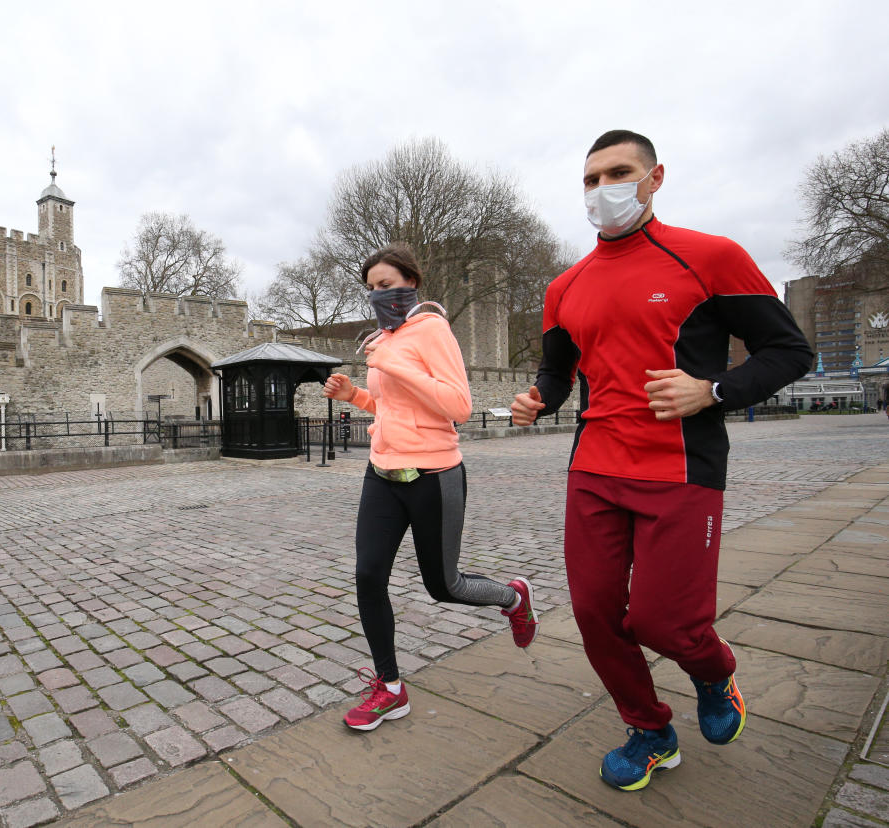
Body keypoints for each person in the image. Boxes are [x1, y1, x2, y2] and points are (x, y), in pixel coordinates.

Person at [511, 130, 811, 791]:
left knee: (660, 620)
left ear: (655, 178)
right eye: (590, 179)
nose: (601, 189)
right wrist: (541, 396)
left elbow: (791, 351)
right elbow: (557, 369)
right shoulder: (565, 286)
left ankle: (713, 671)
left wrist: (714, 390)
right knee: (594, 612)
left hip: (682, 469)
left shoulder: (711, 256)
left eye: (617, 173)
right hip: (594, 469)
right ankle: (650, 731)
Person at [324, 243, 538, 733]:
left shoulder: (432, 329)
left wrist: (395, 364)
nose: (379, 295)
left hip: (434, 475)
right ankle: (390, 687)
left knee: (444, 586)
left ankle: (512, 598)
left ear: (411, 283)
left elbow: (457, 406)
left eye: (387, 285)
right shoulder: (382, 337)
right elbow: (392, 408)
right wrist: (354, 394)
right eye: (372, 288)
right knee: (367, 577)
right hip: (382, 473)